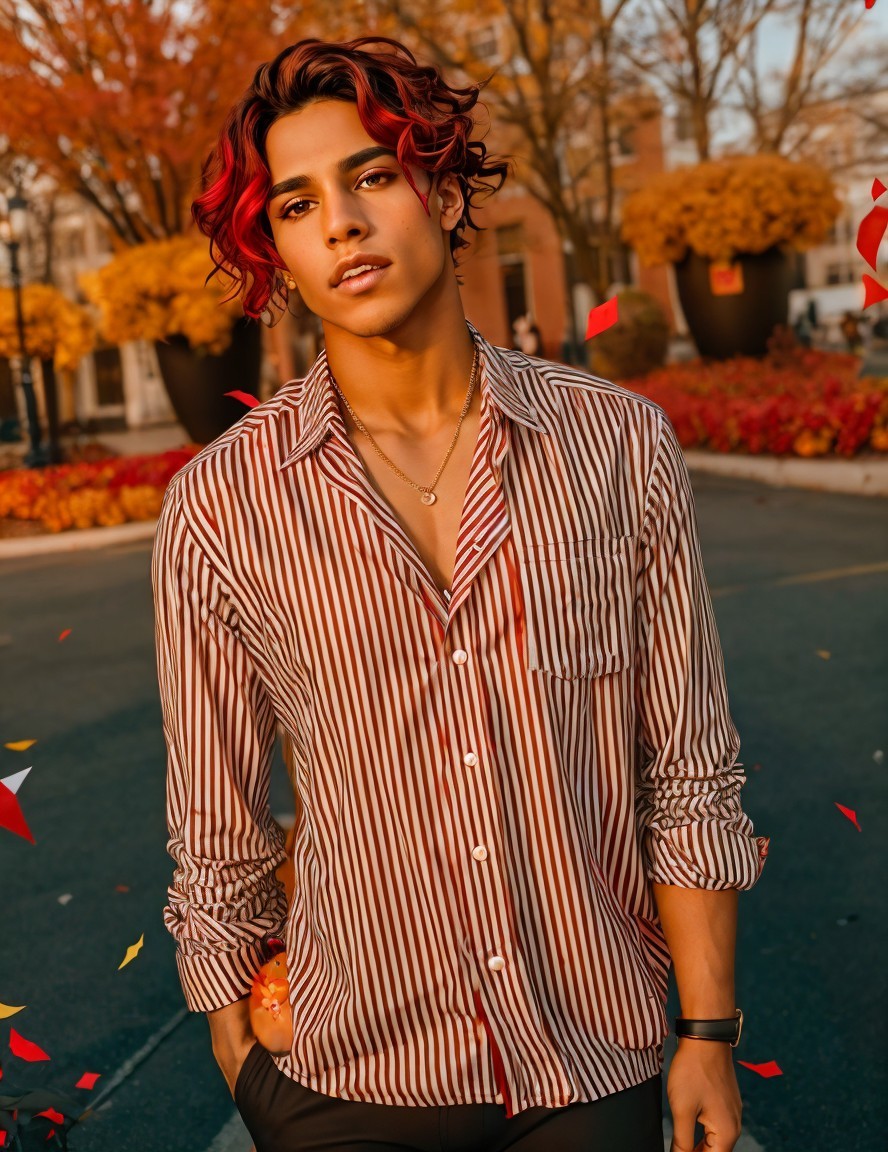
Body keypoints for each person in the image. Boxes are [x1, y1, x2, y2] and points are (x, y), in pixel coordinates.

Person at [151, 36, 769, 1152]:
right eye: (297, 203)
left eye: (370, 176)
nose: (339, 221)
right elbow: (219, 824)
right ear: (278, 251)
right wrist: (241, 1060)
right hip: (350, 1079)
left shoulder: (616, 446)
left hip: (600, 1053)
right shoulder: (220, 506)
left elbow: (687, 769)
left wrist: (709, 1031)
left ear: (439, 189)